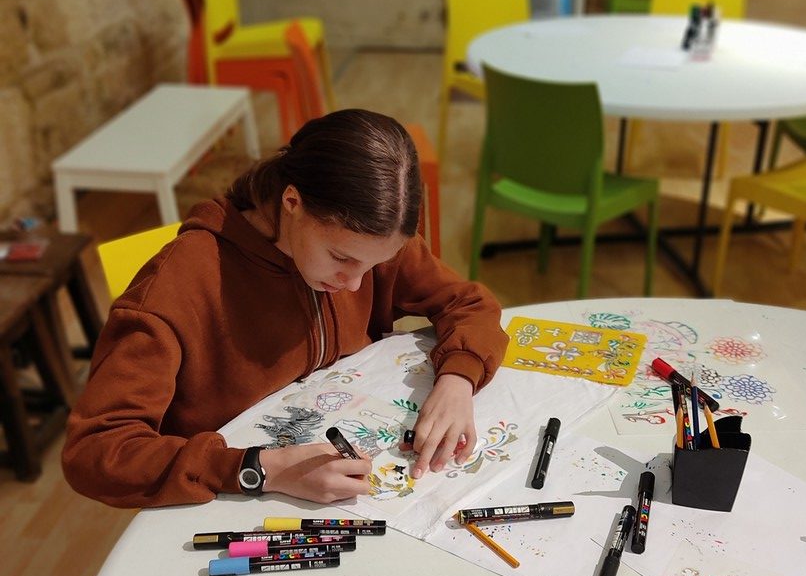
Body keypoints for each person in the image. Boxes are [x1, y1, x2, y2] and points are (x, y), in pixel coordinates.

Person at [62, 110, 508, 509]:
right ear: (291, 203)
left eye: (373, 265)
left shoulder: (368, 240)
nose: (355, 284)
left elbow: (470, 303)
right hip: (229, 498)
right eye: (341, 258)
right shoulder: (180, 285)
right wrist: (259, 469)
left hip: (335, 469)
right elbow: (95, 450)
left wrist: (457, 380)